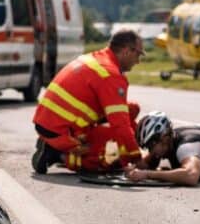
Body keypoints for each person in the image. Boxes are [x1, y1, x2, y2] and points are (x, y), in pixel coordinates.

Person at [32, 29, 145, 173]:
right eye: (138, 54)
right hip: (59, 130)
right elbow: (120, 125)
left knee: (132, 109)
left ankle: (59, 145)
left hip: (51, 121)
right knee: (109, 158)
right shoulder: (111, 75)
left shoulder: (98, 58)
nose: (138, 61)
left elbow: (121, 116)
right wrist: (137, 158)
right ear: (126, 51)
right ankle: (55, 154)